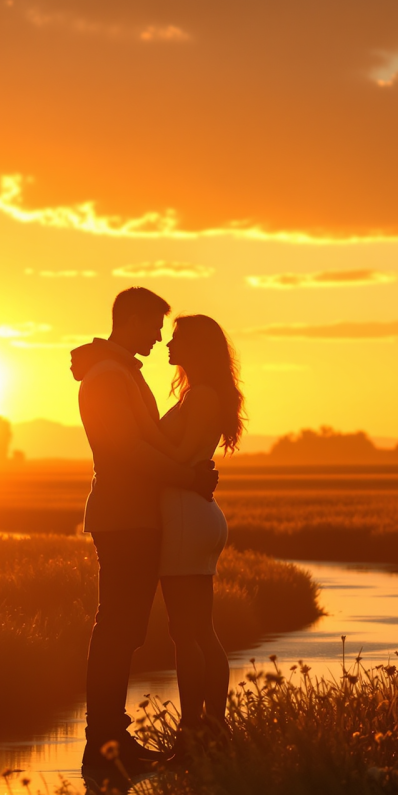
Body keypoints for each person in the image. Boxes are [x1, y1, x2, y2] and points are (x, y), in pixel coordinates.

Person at [70, 288, 219, 778]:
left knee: (123, 633)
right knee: (116, 632)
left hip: (137, 519)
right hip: (124, 519)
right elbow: (129, 450)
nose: (158, 338)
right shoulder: (110, 376)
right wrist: (189, 477)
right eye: (154, 326)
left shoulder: (120, 373)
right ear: (130, 320)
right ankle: (104, 747)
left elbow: (148, 441)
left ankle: (113, 741)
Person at [124, 314, 244, 751]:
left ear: (196, 347)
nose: (168, 345)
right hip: (193, 516)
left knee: (185, 633)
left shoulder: (203, 397)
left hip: (183, 520)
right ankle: (211, 728)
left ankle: (196, 729)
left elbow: (177, 456)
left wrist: (135, 433)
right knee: (200, 631)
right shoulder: (201, 395)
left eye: (176, 339)